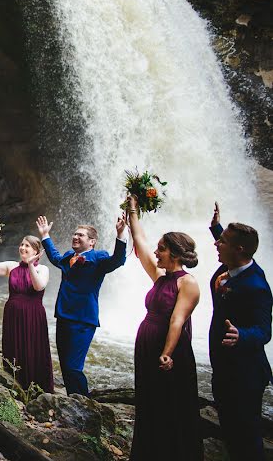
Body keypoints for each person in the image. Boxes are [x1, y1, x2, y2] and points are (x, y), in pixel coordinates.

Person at [125, 197, 201, 460]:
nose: (156, 253)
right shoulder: (160, 277)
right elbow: (140, 242)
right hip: (147, 347)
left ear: (176, 254)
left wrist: (167, 353)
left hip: (169, 352)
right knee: (149, 401)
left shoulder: (187, 282)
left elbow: (177, 320)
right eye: (157, 249)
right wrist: (132, 210)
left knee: (170, 403)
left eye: (162, 249)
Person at [36, 214, 127, 395]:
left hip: (84, 320)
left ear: (92, 242)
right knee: (65, 364)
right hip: (63, 316)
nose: (75, 237)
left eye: (81, 235)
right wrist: (45, 236)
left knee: (74, 366)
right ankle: (72, 398)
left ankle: (84, 402)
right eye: (75, 234)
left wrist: (121, 234)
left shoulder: (99, 257)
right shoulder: (70, 255)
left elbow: (118, 260)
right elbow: (55, 258)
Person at [209, 203, 271, 461]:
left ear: (239, 250)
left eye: (221, 242)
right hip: (225, 368)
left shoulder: (256, 286)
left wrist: (241, 335)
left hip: (244, 375)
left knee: (245, 436)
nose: (216, 245)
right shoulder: (233, 263)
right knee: (229, 432)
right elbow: (232, 243)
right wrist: (216, 228)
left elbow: (264, 331)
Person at [0, 235, 53, 393]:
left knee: (33, 349)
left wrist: (31, 265)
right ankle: (14, 385)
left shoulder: (43, 269)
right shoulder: (11, 266)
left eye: (27, 246)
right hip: (13, 315)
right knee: (13, 347)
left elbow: (39, 286)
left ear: (37, 251)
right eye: (22, 244)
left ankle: (36, 388)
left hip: (33, 315)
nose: (23, 248)